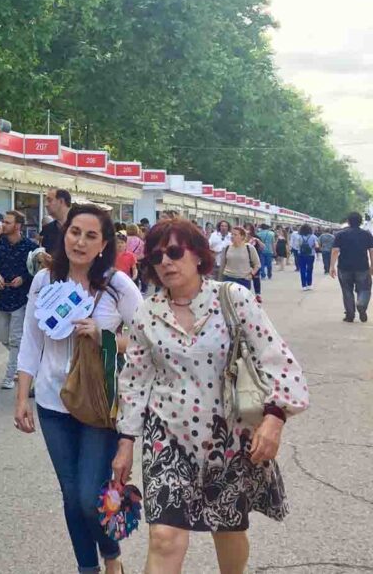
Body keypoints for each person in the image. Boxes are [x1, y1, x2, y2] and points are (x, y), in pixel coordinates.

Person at [113, 218, 308, 574]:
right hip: (167, 438)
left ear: (198, 255)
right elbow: (135, 379)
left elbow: (276, 359)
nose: (166, 262)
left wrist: (274, 418)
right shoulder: (146, 314)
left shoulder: (233, 299)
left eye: (174, 251)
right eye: (157, 256)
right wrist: (126, 441)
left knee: (228, 531)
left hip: (229, 437)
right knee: (164, 537)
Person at [14, 205, 142, 574]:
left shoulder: (118, 285)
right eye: (74, 232)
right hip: (53, 405)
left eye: (90, 236)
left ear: (104, 245)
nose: (80, 242)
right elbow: (30, 342)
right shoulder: (43, 282)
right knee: (71, 495)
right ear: (63, 234)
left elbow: (148, 338)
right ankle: (88, 568)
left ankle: (111, 554)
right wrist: (22, 396)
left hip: (99, 404)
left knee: (89, 496)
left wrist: (105, 337)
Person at [0, 210, 38, 390]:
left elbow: (36, 273)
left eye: (8, 222)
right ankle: (24, 358)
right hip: (1, 298)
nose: (3, 225)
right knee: (3, 337)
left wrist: (23, 278)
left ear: (17, 226)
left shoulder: (30, 247)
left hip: (21, 299)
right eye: (4, 222)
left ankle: (10, 376)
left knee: (16, 339)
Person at [330, 212, 373, 323]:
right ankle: (361, 304)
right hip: (362, 267)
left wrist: (331, 266)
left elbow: (335, 251)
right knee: (364, 288)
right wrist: (372, 265)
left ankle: (350, 315)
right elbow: (371, 251)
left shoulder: (340, 234)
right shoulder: (367, 234)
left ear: (348, 221)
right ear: (361, 222)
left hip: (344, 267)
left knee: (347, 291)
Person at [220, 226, 261, 295]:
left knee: (241, 303)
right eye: (231, 234)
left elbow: (257, 264)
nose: (232, 236)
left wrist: (251, 274)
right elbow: (222, 265)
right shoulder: (227, 248)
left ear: (242, 236)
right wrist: (220, 280)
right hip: (228, 278)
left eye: (235, 235)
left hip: (243, 279)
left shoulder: (249, 248)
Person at [41, 188, 72, 254]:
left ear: (61, 201)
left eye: (49, 200)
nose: (46, 205)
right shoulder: (47, 229)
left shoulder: (80, 226)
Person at [295, 224, 318, 291]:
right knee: (310, 269)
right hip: (311, 255)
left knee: (302, 269)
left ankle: (303, 285)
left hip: (301, 255)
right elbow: (317, 246)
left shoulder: (299, 237)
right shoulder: (313, 237)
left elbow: (297, 246)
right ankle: (309, 284)